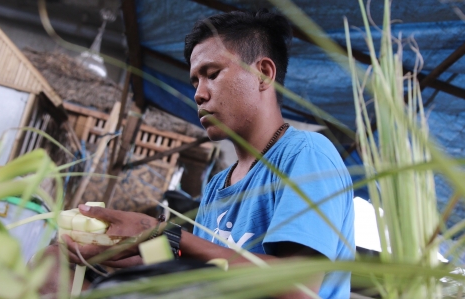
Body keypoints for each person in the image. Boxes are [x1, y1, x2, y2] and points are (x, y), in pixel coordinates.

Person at [57, 9, 355, 299]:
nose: (199, 93)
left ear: (263, 73)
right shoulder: (216, 186)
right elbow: (202, 267)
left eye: (212, 74)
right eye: (195, 82)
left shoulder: (305, 154)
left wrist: (159, 232)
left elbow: (296, 290)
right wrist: (125, 250)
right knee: (51, 267)